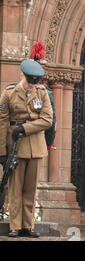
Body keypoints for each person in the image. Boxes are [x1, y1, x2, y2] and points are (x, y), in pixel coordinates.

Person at [0, 59, 53, 238]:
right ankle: (15, 225)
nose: (31, 86)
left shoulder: (42, 92)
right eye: (29, 81)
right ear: (21, 75)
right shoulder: (9, 93)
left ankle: (27, 226)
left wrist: (25, 128)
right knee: (15, 187)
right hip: (16, 146)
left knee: (31, 188)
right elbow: (1, 123)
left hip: (36, 146)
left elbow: (47, 120)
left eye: (34, 82)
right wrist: (2, 152)